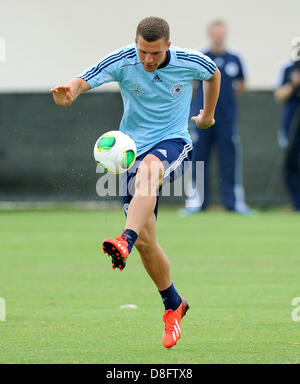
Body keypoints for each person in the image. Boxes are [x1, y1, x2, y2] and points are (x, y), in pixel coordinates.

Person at [51, 17, 220, 348]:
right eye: (143, 51)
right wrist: (70, 90)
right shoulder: (125, 59)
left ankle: (124, 238)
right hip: (130, 151)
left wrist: (208, 114)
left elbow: (212, 73)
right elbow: (86, 77)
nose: (147, 59)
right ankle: (173, 304)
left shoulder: (189, 61)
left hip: (172, 141)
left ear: (168, 46)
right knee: (147, 242)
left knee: (149, 171)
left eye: (155, 53)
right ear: (136, 44)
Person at [180, 20, 250, 215]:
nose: (219, 36)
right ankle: (197, 202)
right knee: (199, 159)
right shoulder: (200, 56)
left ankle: (234, 203)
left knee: (229, 160)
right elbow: (191, 83)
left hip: (227, 120)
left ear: (225, 35)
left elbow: (242, 84)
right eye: (216, 33)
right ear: (210, 34)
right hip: (202, 119)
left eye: (222, 33)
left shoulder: (235, 57)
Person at [274, 38, 300, 212]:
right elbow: (279, 95)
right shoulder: (287, 68)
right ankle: (297, 202)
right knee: (291, 163)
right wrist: (293, 84)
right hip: (292, 123)